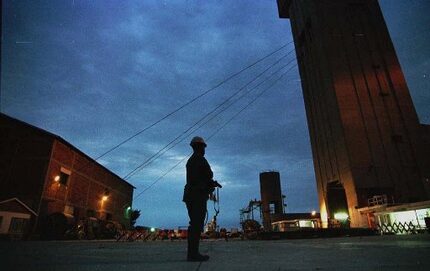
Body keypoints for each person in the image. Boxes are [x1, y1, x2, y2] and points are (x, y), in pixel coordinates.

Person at [183, 136, 221, 262]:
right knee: (196, 225)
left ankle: (192, 253)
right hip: (197, 196)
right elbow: (205, 177)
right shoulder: (200, 160)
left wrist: (210, 183)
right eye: (203, 147)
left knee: (194, 224)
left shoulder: (191, 161)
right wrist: (210, 184)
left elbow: (198, 179)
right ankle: (193, 254)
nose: (204, 149)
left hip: (191, 196)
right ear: (200, 147)